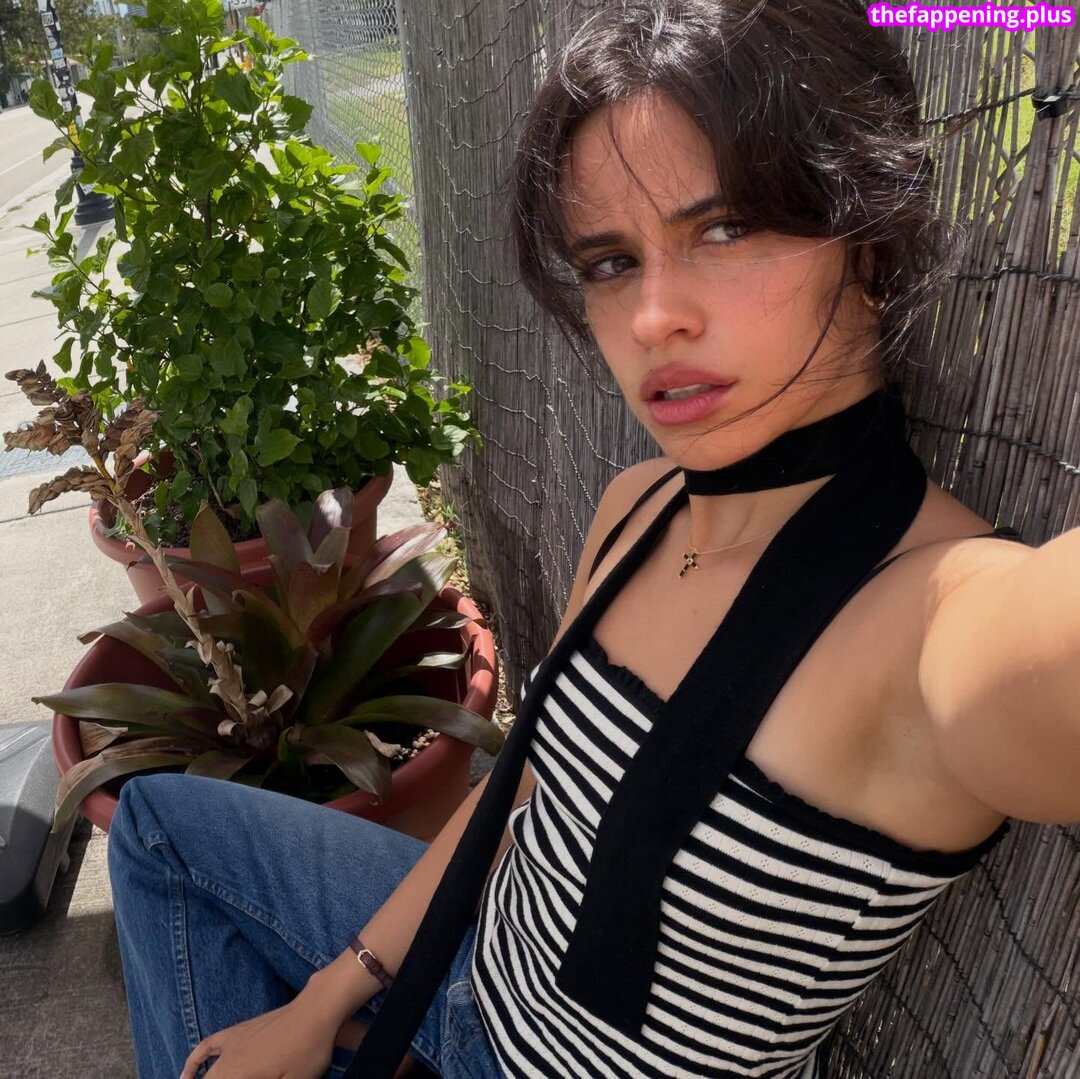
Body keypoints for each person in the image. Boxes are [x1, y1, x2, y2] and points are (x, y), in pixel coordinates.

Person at [105, 1, 1080, 1077]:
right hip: (470, 971)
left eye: (725, 228)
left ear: (869, 239)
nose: (654, 316)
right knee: (154, 822)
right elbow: (522, 790)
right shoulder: (639, 506)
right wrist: (333, 993)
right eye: (611, 261)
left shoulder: (939, 615)